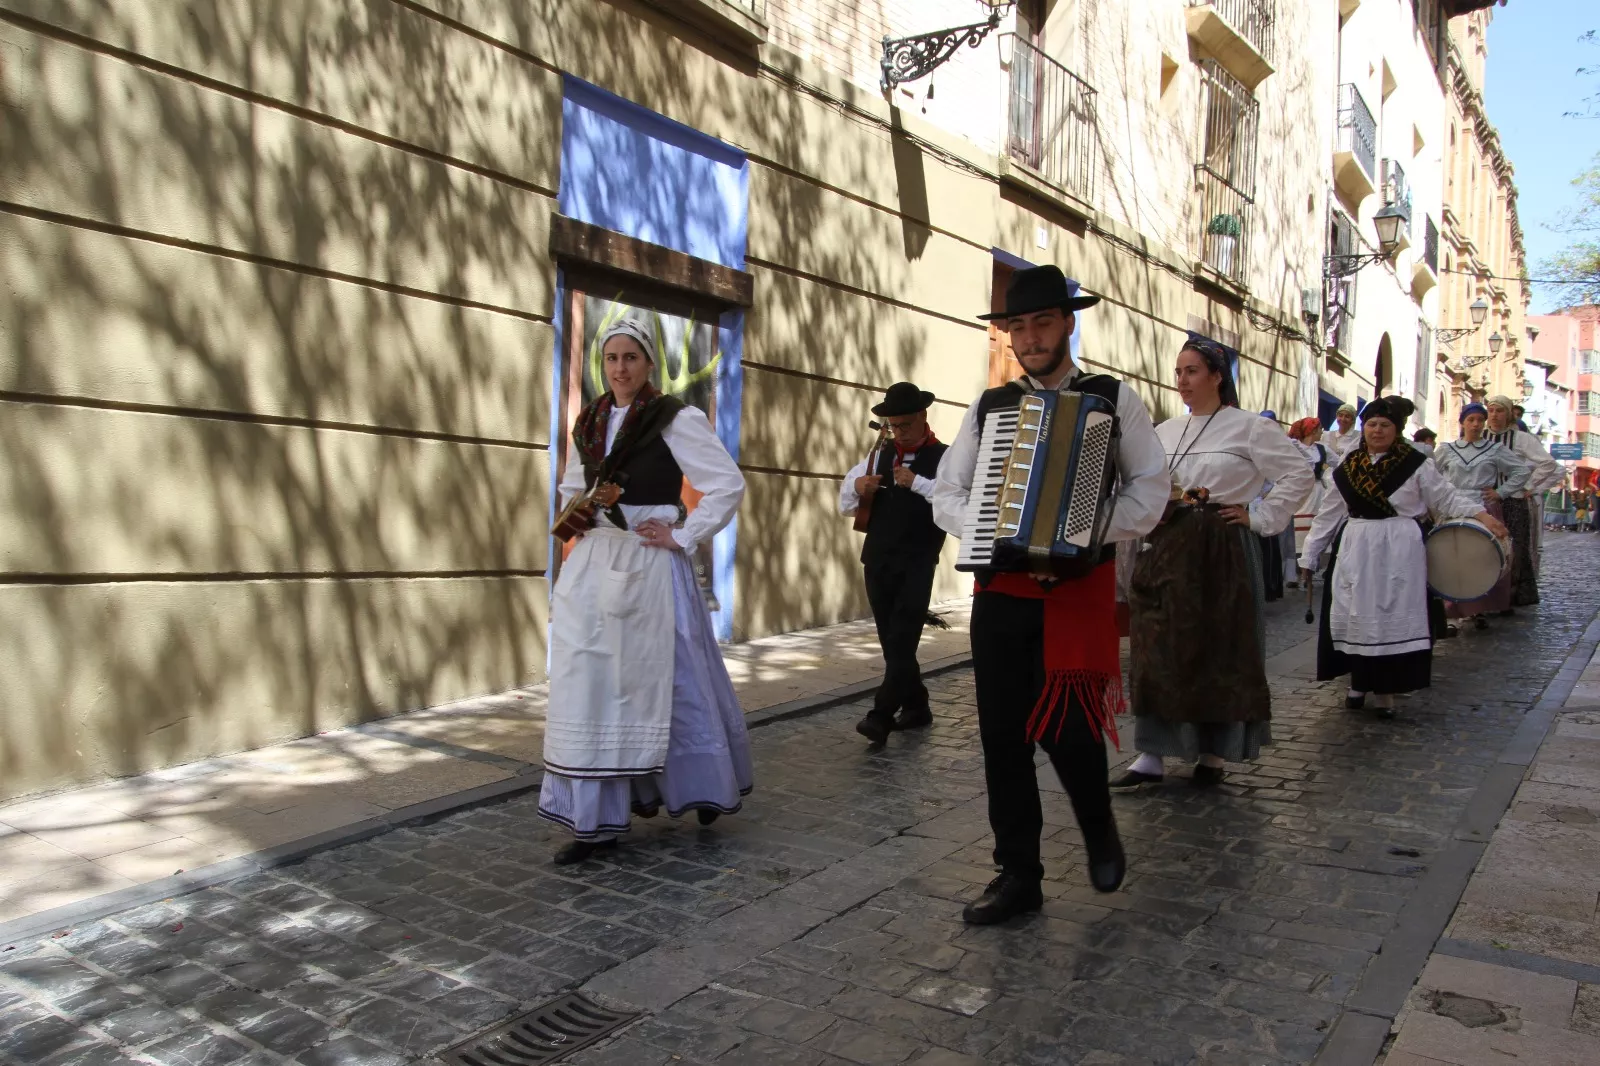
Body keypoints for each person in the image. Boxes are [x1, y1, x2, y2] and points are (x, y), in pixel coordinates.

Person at [932, 265, 1168, 924]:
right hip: (1002, 592)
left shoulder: (1112, 399)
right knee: (1003, 738)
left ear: (1067, 323)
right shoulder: (990, 406)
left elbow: (1149, 491)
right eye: (1018, 326)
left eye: (1042, 322)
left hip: (1076, 592)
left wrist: (1079, 532)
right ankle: (1018, 874)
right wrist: (995, 526)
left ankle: (1099, 827)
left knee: (1070, 730)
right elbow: (947, 493)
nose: (1030, 337)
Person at [540, 320, 752, 864]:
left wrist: (682, 534)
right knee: (592, 687)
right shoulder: (589, 422)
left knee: (669, 679)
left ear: (649, 363)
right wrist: (577, 526)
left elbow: (726, 484)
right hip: (596, 565)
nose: (620, 368)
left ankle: (699, 785)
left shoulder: (673, 417)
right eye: (611, 358)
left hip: (650, 564)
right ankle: (596, 821)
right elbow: (573, 486)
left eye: (630, 357)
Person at [1110, 338, 1312, 791]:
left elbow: (1299, 473)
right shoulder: (1165, 431)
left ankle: (1213, 753)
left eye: (1192, 371)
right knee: (1157, 646)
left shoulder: (1250, 428)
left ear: (1217, 376)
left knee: (1219, 647)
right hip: (1166, 546)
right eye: (1179, 372)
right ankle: (1152, 752)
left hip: (1222, 550)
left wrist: (1259, 515)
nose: (1182, 380)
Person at [1301, 397, 1507, 717]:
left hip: (1399, 547)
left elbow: (1446, 497)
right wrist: (1310, 554)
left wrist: (1484, 517)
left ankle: (1386, 692)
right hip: (1358, 547)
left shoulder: (1414, 464)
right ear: (1364, 428)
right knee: (1358, 614)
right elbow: (1329, 514)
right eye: (1371, 424)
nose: (1377, 430)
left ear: (1396, 430)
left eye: (1385, 425)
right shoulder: (1348, 467)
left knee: (1390, 618)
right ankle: (1358, 683)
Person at [839, 382, 949, 744]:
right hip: (877, 559)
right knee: (892, 642)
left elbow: (954, 501)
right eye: (893, 426)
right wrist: (858, 487)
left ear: (922, 415)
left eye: (905, 424)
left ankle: (880, 715)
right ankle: (917, 706)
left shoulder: (946, 457)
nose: (899, 432)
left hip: (918, 560)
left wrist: (917, 483)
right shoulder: (879, 454)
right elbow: (845, 502)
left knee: (902, 639)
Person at [1433, 402, 1533, 629]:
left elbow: (1521, 471)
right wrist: (1441, 495)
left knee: (1480, 557)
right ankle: (1450, 610)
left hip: (1483, 507)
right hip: (1452, 507)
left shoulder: (1494, 449)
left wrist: (1501, 492)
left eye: (1480, 420)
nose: (1476, 424)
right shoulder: (1447, 449)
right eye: (1471, 420)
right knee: (1451, 555)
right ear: (1462, 422)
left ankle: (1477, 608)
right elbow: (1431, 475)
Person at [1484, 395, 1560, 607]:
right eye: (1491, 410)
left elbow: (1548, 463)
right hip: (1485, 501)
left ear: (1508, 414)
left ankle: (1512, 595)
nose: (1494, 415)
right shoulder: (1480, 436)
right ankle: (1485, 593)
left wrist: (1529, 485)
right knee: (1485, 547)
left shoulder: (1521, 439)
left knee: (1514, 547)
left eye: (1499, 411)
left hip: (1514, 500)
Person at [1284, 417, 1332, 587]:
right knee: (1296, 533)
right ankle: (1294, 573)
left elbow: (1340, 465)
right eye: (1319, 429)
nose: (1321, 432)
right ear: (1312, 430)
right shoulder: (1293, 446)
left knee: (1314, 531)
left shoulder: (1322, 449)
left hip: (1316, 492)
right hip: (1298, 491)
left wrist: (1330, 480)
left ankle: (1308, 573)